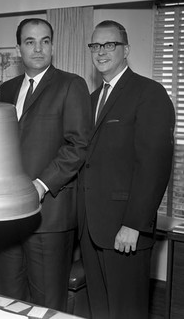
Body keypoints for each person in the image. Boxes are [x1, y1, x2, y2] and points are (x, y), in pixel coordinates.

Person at [78, 20, 175, 319]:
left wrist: (134, 224)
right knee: (100, 310)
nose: (101, 51)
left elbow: (154, 165)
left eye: (110, 45)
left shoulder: (149, 93)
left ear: (126, 50)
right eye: (96, 45)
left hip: (125, 229)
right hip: (91, 228)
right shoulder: (91, 100)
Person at [0, 18, 91, 311]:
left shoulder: (71, 84)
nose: (38, 48)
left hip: (49, 215)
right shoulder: (6, 89)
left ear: (53, 45)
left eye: (45, 41)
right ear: (18, 49)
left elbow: (78, 145)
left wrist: (41, 184)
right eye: (30, 42)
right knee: (6, 301)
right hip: (8, 218)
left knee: (46, 303)